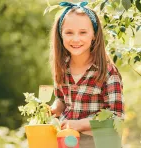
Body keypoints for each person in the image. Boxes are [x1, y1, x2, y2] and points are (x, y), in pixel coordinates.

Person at [49, 1, 124, 148]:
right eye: (69, 32)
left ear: (94, 35)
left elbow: (116, 117)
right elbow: (61, 99)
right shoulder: (62, 67)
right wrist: (54, 109)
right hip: (67, 141)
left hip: (98, 142)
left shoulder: (107, 72)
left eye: (83, 32)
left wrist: (79, 125)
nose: (76, 39)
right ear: (60, 35)